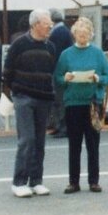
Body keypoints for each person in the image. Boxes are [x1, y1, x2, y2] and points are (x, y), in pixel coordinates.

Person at [54, 17, 108, 193]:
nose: (82, 37)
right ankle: (73, 181)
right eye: (79, 34)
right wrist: (65, 78)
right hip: (73, 103)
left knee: (93, 144)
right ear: (74, 35)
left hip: (92, 104)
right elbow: (57, 77)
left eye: (86, 34)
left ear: (91, 35)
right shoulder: (66, 55)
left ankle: (93, 181)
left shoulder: (97, 53)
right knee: (74, 144)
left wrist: (97, 78)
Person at [2, 9, 56, 197]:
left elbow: (52, 71)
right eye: (46, 23)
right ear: (35, 25)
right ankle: (18, 182)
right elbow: (7, 70)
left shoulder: (50, 47)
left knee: (40, 141)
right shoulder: (19, 44)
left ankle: (36, 181)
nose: (50, 26)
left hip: (43, 98)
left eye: (50, 23)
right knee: (27, 139)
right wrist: (14, 92)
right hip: (23, 97)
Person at [47, 9, 74, 137]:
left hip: (60, 70)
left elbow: (55, 53)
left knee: (60, 99)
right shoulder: (63, 31)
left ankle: (64, 126)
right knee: (58, 99)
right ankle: (60, 125)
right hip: (62, 69)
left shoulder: (59, 32)